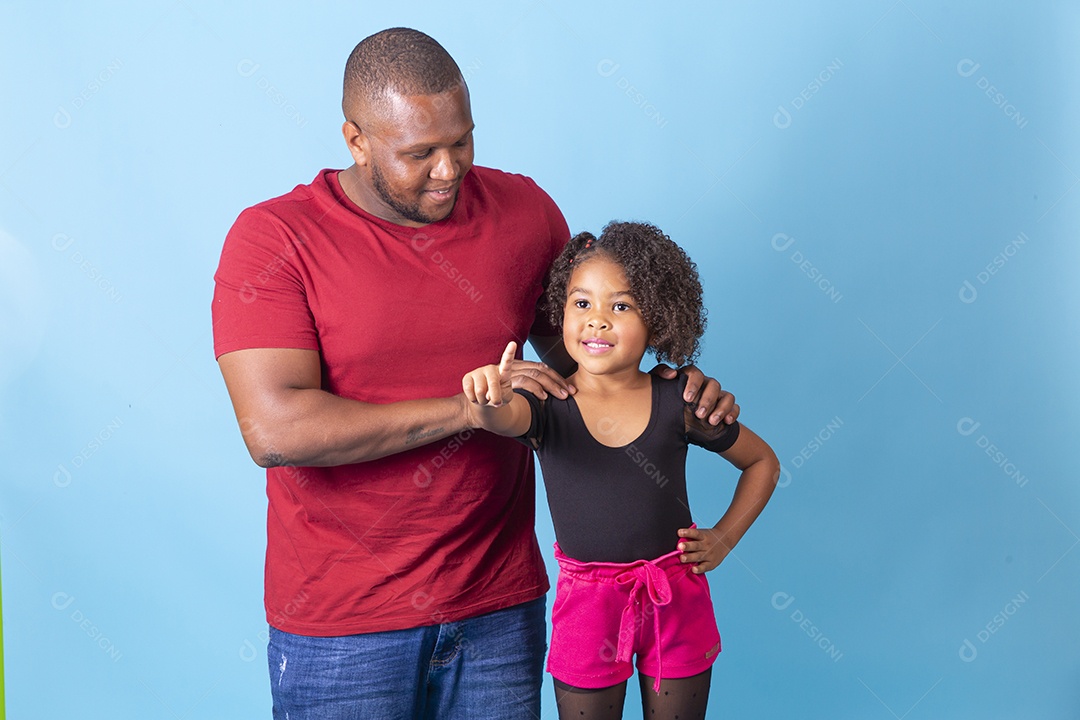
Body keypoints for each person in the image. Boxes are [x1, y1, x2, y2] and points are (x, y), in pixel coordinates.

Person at [212, 28, 739, 720]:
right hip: (342, 623)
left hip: (497, 611)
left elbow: (589, 368)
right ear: (356, 141)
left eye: (460, 141)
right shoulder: (275, 239)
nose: (448, 170)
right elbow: (276, 431)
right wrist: (466, 410)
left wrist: (679, 390)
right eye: (419, 153)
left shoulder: (524, 214)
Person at [462, 222, 779, 720]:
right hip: (587, 606)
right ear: (560, 312)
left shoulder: (680, 400)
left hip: (674, 595)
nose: (598, 321)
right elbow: (501, 418)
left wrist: (723, 538)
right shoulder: (544, 404)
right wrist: (487, 397)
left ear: (658, 318)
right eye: (582, 303)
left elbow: (762, 462)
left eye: (622, 307)